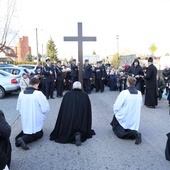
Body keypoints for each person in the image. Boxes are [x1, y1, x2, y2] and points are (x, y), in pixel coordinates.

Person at [50, 81, 95, 146]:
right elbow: (88, 112)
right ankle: (79, 133)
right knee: (81, 126)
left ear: (73, 87)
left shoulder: (67, 95)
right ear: (81, 87)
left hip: (69, 121)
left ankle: (70, 133)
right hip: (81, 121)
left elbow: (62, 111)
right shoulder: (85, 96)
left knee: (67, 127)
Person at [15, 77, 50, 150]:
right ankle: (23, 139)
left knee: (27, 130)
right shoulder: (38, 94)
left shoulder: (21, 93)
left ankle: (21, 138)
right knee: (39, 134)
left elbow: (18, 108)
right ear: (36, 85)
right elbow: (46, 108)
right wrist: (43, 116)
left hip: (25, 118)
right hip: (35, 118)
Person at [110, 76, 143, 145]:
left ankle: (135, 134)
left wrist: (116, 112)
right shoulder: (139, 93)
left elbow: (117, 105)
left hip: (124, 115)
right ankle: (134, 132)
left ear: (128, 83)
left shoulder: (124, 93)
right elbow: (140, 104)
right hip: (134, 116)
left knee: (119, 133)